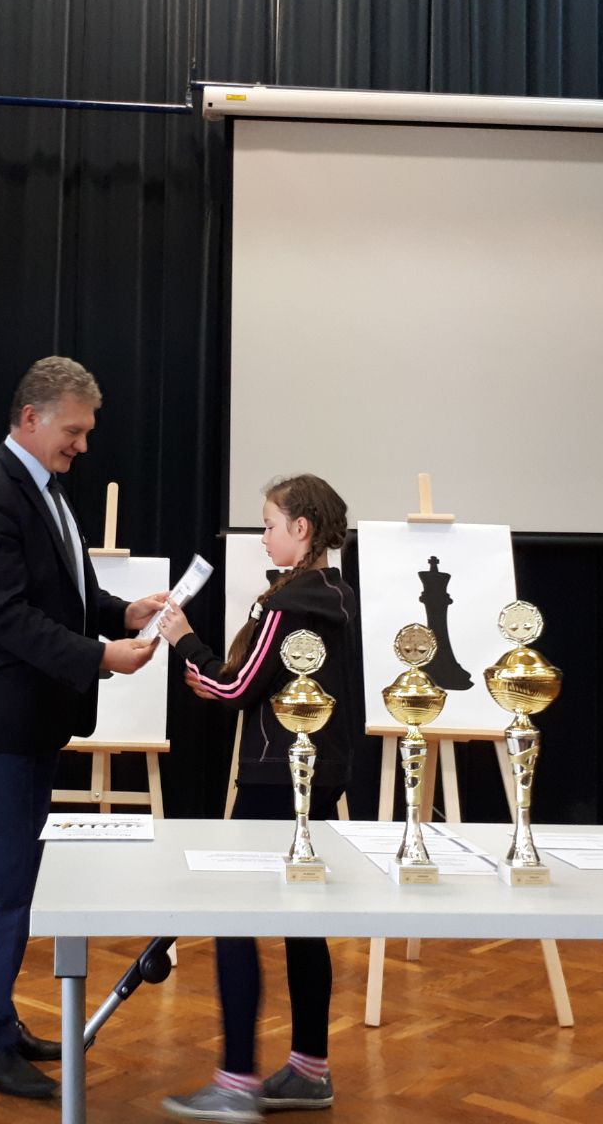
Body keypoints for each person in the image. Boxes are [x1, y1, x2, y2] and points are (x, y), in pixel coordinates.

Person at [0, 356, 167, 1100]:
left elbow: (63, 592)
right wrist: (101, 655)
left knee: (15, 882)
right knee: (0, 887)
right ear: (31, 418)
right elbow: (6, 615)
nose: (83, 444)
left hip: (29, 719)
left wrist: (121, 612)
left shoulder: (44, 488)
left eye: (87, 430)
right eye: (74, 429)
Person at [157, 474, 358, 1123]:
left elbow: (237, 688)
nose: (263, 536)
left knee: (233, 915)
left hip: (274, 775)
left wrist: (183, 641)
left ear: (301, 528)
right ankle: (309, 1071)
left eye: (270, 524)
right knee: (304, 923)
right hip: (322, 773)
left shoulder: (288, 601)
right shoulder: (336, 595)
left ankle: (235, 1081)